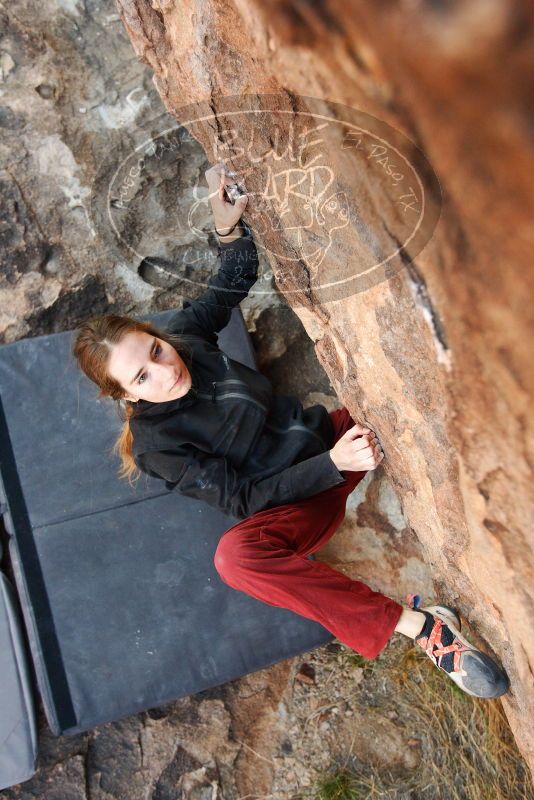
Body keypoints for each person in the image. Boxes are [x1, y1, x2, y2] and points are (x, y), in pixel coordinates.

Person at [72, 163, 509, 699]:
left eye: (155, 350)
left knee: (415, 385)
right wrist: (333, 468)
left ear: (156, 336)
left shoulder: (185, 337)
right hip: (298, 500)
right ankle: (426, 630)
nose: (165, 371)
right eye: (143, 376)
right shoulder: (156, 445)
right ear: (126, 396)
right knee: (235, 559)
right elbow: (245, 499)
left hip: (333, 438)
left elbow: (230, 281)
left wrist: (226, 226)